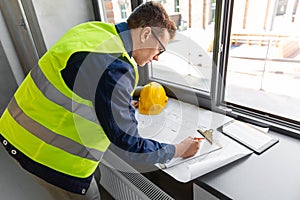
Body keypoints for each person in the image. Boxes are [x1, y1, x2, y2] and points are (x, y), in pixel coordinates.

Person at [0, 1, 200, 199]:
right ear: (146, 34)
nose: (157, 58)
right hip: (46, 155)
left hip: (17, 128)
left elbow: (82, 84)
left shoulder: (93, 31)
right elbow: (128, 143)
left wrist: (117, 103)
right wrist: (178, 149)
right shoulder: (113, 66)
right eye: (160, 49)